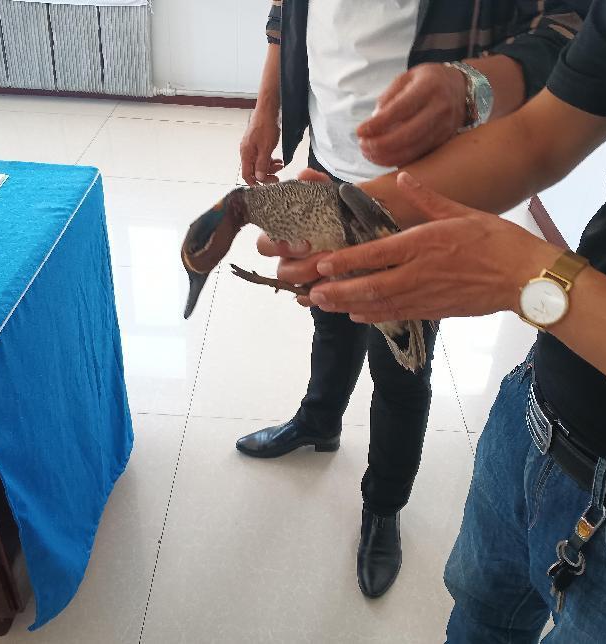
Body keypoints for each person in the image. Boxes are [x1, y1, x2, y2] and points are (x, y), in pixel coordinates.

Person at [268, 0, 606, 640]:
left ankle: (383, 505)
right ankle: (319, 420)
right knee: (477, 617)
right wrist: (345, 211)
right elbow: (537, 138)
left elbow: (555, 28)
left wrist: (526, 277)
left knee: (400, 376)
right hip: (540, 418)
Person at [237, 0, 588, 598]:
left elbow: (568, 25)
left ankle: (384, 504)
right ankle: (319, 422)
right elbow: (285, 10)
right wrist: (267, 105)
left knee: (403, 364)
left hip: (428, 177)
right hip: (326, 160)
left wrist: (472, 84)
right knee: (329, 312)